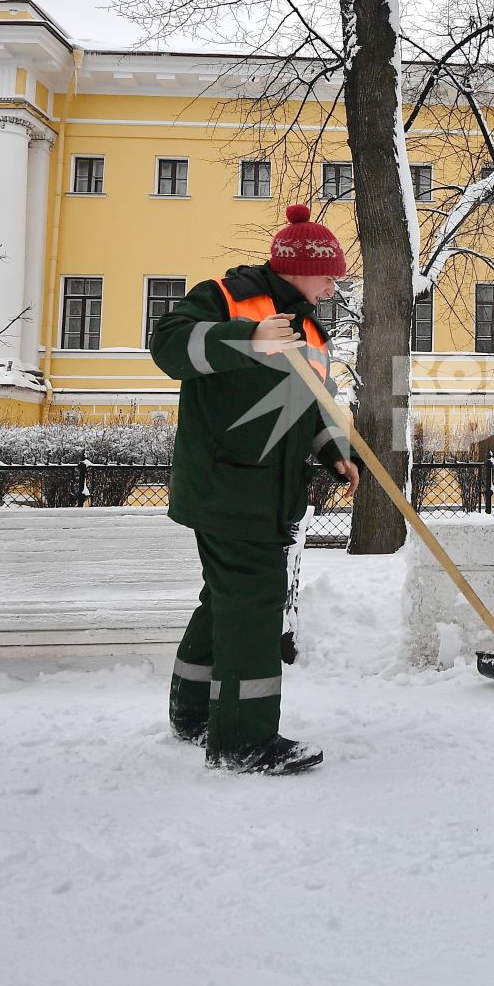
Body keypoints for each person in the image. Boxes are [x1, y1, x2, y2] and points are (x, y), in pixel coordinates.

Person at [149, 204, 360, 775]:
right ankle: (242, 740)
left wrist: (333, 450)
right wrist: (248, 338)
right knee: (254, 603)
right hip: (227, 484)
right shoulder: (227, 296)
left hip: (271, 489)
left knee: (226, 599)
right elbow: (167, 346)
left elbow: (306, 404)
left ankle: (195, 713)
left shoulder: (311, 330)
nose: (333, 284)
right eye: (328, 273)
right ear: (298, 266)